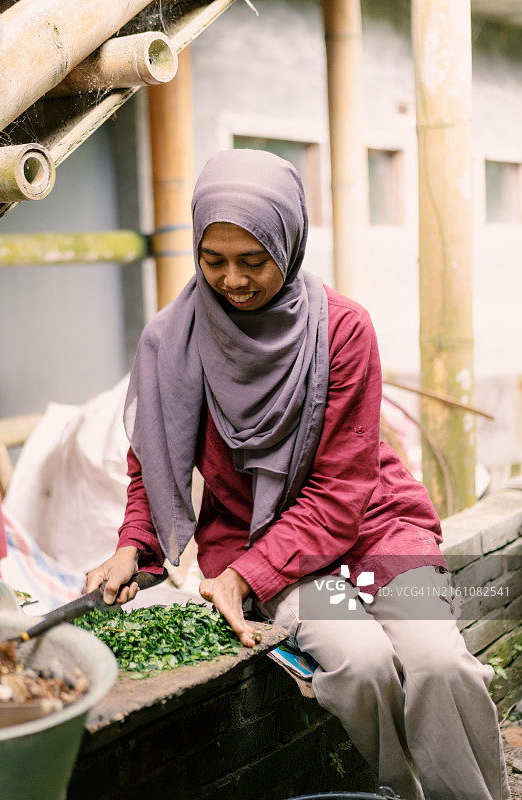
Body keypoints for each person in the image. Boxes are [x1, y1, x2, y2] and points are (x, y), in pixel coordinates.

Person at [86, 149, 510, 800]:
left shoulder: (341, 329)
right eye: (213, 259)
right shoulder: (172, 340)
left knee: (439, 663)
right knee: (359, 665)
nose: (233, 280)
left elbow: (342, 494)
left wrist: (238, 579)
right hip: (267, 547)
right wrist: (131, 545)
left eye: (253, 259)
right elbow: (153, 458)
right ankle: (402, 793)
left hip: (376, 531)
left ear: (290, 239)